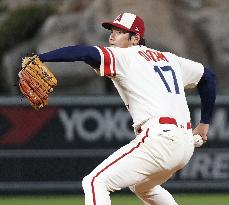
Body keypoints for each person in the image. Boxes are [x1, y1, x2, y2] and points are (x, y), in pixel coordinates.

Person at [38, 12, 216, 205]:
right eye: (112, 31)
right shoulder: (170, 59)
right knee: (143, 186)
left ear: (135, 38)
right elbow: (208, 76)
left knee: (94, 182)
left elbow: (84, 52)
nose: (112, 37)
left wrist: (41, 58)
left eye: (119, 32)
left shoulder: (125, 55)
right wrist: (204, 123)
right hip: (185, 144)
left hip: (160, 139)